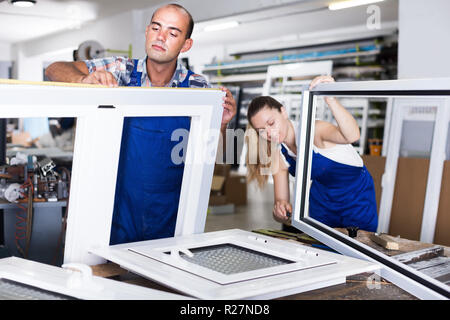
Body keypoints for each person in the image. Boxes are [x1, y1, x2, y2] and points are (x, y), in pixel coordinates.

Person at [45, 3, 236, 244]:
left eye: (173, 33)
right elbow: (54, 69)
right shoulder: (121, 71)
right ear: (147, 32)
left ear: (186, 44)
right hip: (116, 208)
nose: (161, 36)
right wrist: (84, 79)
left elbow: (213, 161)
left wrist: (221, 126)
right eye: (156, 28)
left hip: (172, 215)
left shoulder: (198, 88)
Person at [245, 75, 378, 232]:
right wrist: (280, 210)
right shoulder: (278, 155)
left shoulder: (313, 130)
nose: (269, 132)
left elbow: (353, 135)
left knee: (359, 247)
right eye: (261, 130)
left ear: (283, 112)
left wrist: (331, 100)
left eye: (271, 123)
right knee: (321, 250)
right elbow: (281, 202)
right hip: (322, 200)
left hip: (356, 196)